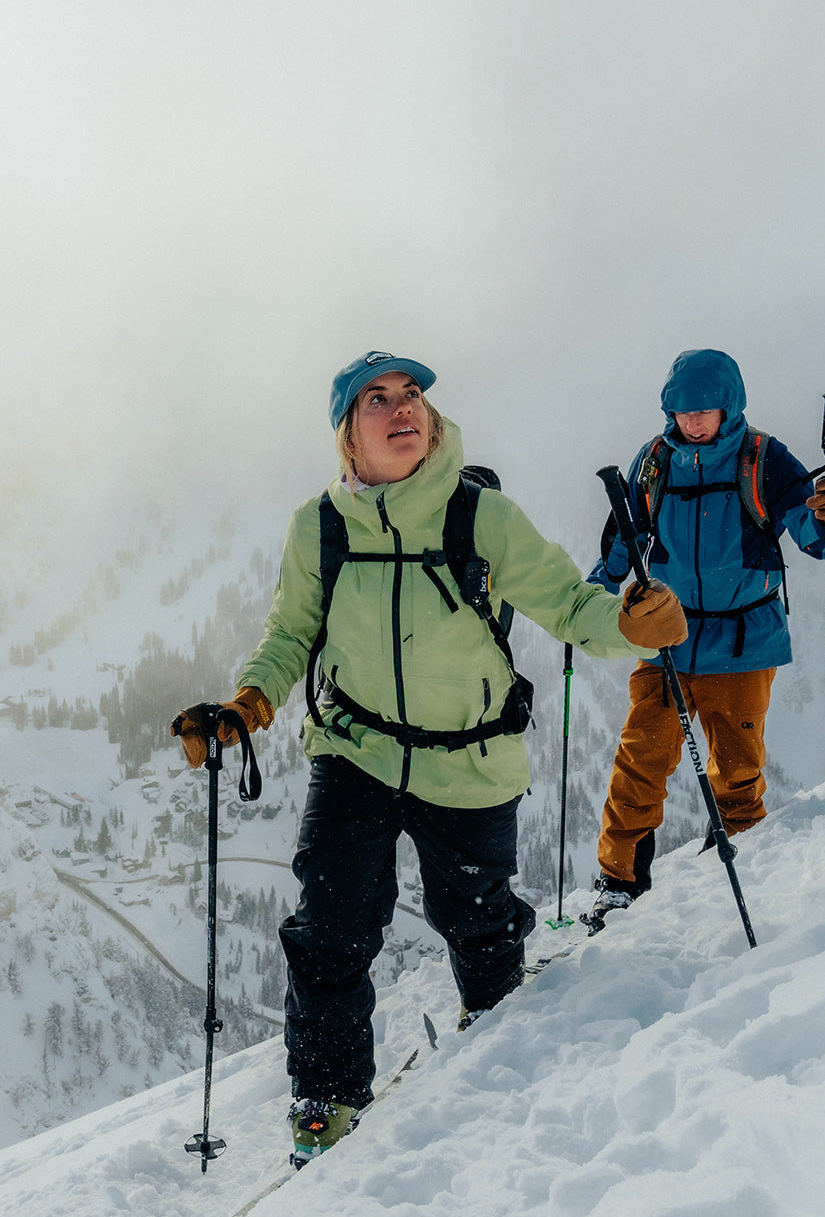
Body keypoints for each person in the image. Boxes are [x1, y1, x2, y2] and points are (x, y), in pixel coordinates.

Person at [170, 350, 687, 1166]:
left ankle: (496, 1041)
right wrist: (249, 705)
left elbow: (567, 603)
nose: (403, 407)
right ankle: (326, 1105)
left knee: (479, 924)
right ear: (349, 432)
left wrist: (632, 626)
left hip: (469, 761)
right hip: (355, 751)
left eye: (412, 395)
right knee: (329, 933)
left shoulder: (483, 516)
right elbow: (291, 633)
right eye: (378, 399)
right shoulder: (320, 526)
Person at [588, 347, 825, 921]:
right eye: (682, 413)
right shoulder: (654, 461)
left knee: (737, 767)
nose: (692, 422)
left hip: (744, 640)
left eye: (703, 412)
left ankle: (739, 861)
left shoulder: (763, 458)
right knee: (641, 757)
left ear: (728, 406)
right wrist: (590, 596)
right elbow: (625, 536)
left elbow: (810, 536)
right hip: (667, 637)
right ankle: (619, 881)